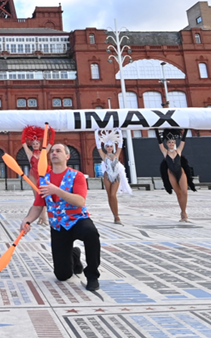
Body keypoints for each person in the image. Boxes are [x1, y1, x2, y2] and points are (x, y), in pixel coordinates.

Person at [21, 142, 101, 291]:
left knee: (91, 233)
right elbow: (38, 206)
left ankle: (92, 275)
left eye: (58, 151)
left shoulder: (77, 176)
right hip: (58, 225)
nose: (54, 153)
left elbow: (80, 201)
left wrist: (57, 190)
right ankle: (74, 255)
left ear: (67, 156)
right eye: (53, 151)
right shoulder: (43, 180)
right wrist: (27, 220)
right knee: (62, 275)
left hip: (78, 220)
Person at [157, 129, 195, 222]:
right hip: (171, 173)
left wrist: (186, 129)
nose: (171, 144)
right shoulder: (165, 152)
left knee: (185, 192)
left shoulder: (178, 151)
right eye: (169, 142)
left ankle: (184, 212)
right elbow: (159, 142)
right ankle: (182, 212)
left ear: (175, 143)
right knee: (178, 193)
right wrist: (155, 130)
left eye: (173, 142)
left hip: (180, 172)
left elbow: (183, 140)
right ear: (167, 143)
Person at [96, 128, 131, 224]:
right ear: (106, 147)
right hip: (107, 176)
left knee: (113, 195)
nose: (109, 148)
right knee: (109, 196)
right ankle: (115, 216)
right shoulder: (104, 156)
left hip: (116, 176)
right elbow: (98, 146)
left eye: (111, 146)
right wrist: (96, 133)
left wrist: (119, 131)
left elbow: (120, 144)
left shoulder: (116, 155)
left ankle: (117, 216)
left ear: (112, 147)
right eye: (107, 147)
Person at [22, 125, 52, 225]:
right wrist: (24, 132)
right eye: (33, 143)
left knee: (43, 197)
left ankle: (42, 218)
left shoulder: (44, 152)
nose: (35, 145)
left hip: (43, 176)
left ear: (40, 144)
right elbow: (23, 143)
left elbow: (50, 143)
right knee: (38, 198)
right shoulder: (29, 153)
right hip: (33, 176)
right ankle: (43, 218)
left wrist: (50, 131)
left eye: (37, 143)